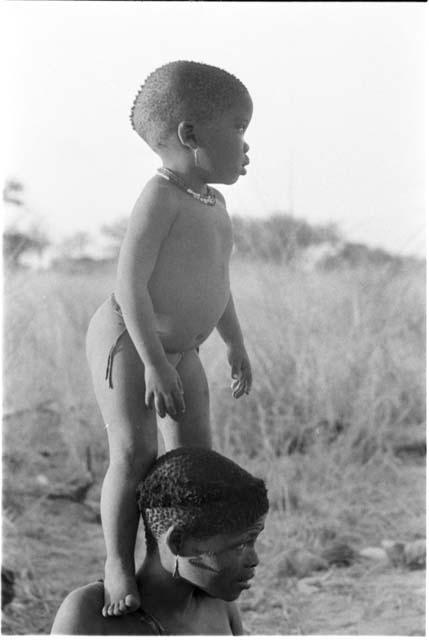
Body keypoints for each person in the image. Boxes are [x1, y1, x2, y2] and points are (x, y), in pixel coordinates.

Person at [85, 60, 254, 616]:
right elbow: (129, 285)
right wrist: (154, 364)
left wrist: (234, 344)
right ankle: (117, 562)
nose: (247, 146)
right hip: (130, 340)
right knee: (135, 451)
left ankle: (175, 567)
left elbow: (218, 284)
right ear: (190, 135)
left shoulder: (214, 202)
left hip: (181, 350)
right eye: (238, 129)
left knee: (193, 462)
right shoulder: (159, 197)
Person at [51, 448, 269, 635]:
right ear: (178, 542)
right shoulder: (88, 614)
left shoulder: (221, 608)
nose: (254, 560)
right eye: (241, 544)